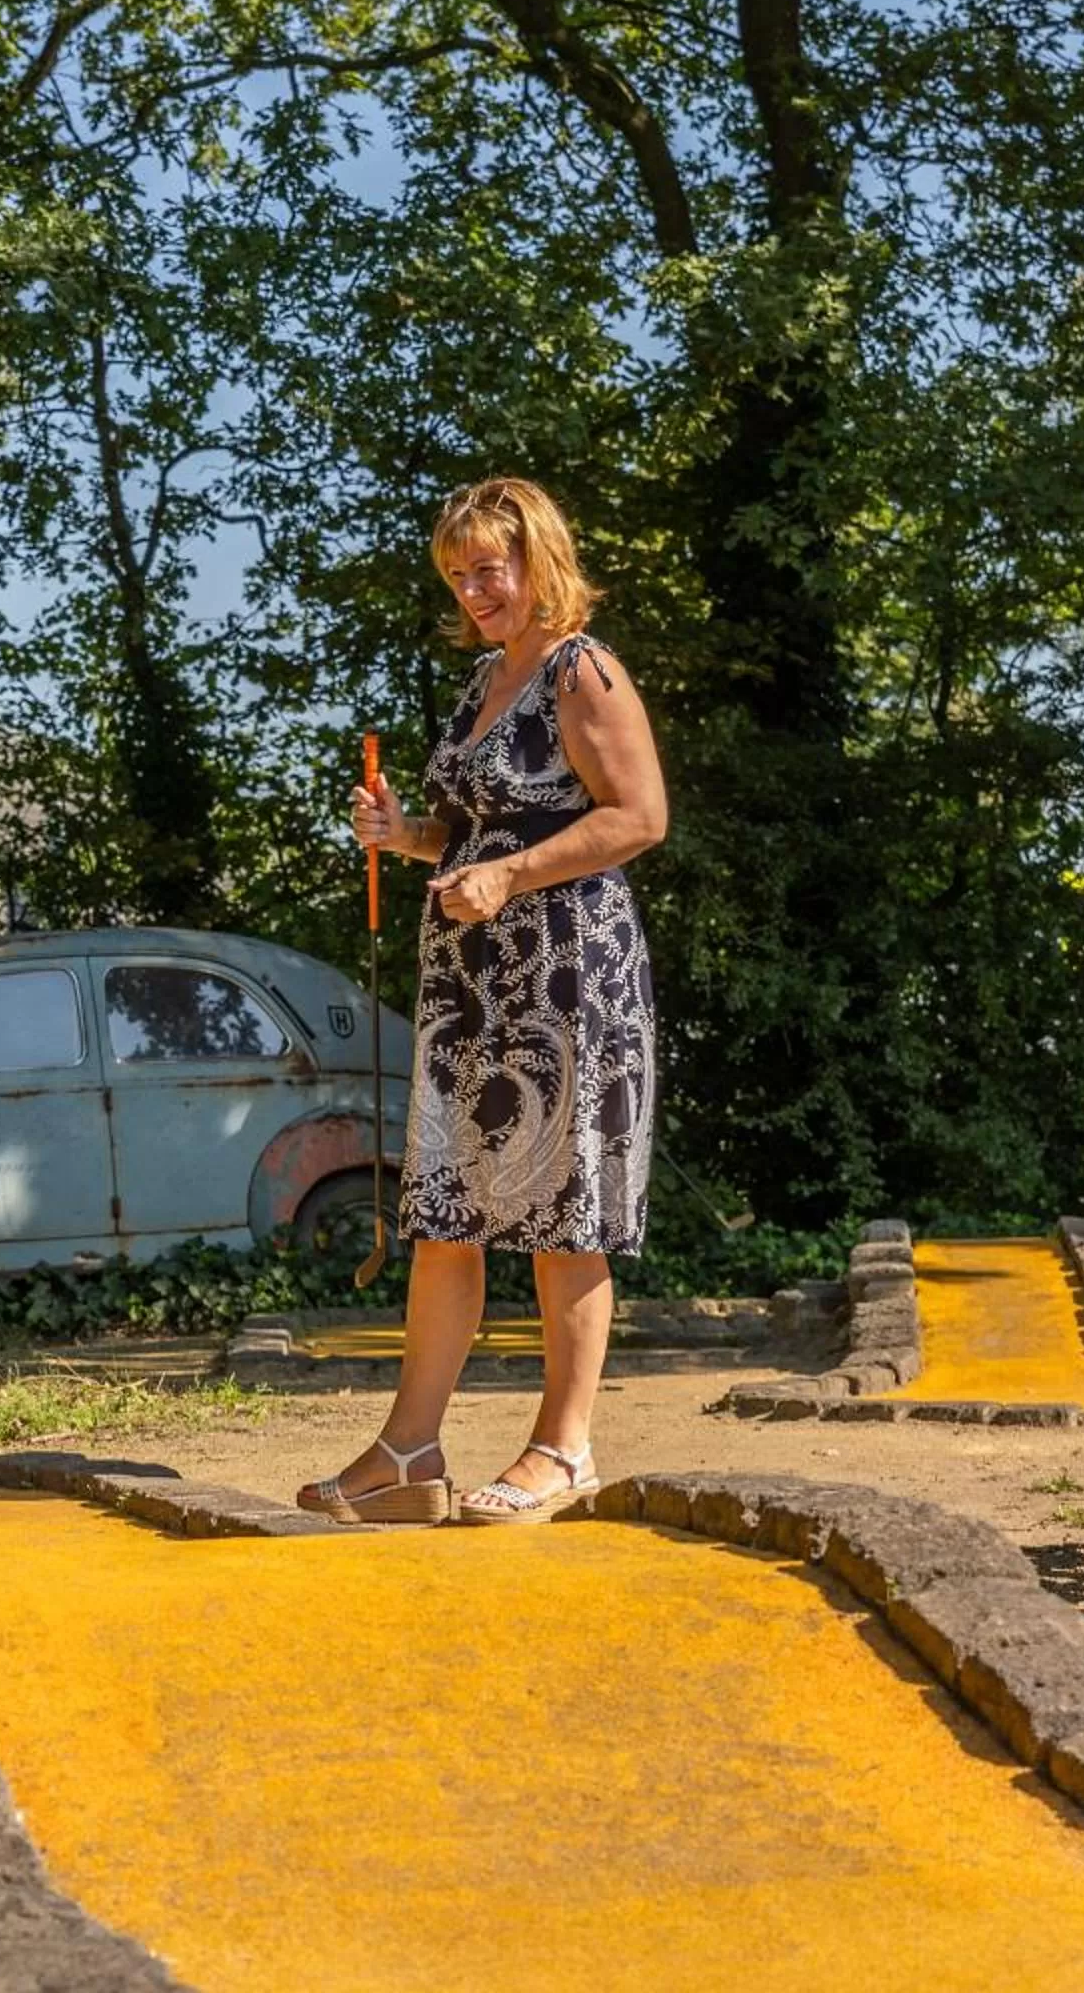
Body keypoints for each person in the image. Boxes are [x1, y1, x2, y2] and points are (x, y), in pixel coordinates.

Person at [300, 477, 667, 1526]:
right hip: (471, 983)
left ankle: (564, 1447)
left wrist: (507, 876)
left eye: (488, 569)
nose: (472, 590)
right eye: (457, 575)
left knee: (564, 1215)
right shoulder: (481, 684)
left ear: (537, 558)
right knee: (446, 1216)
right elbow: (473, 836)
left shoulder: (581, 669)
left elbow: (640, 815)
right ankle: (411, 1450)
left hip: (565, 977)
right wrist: (405, 832)